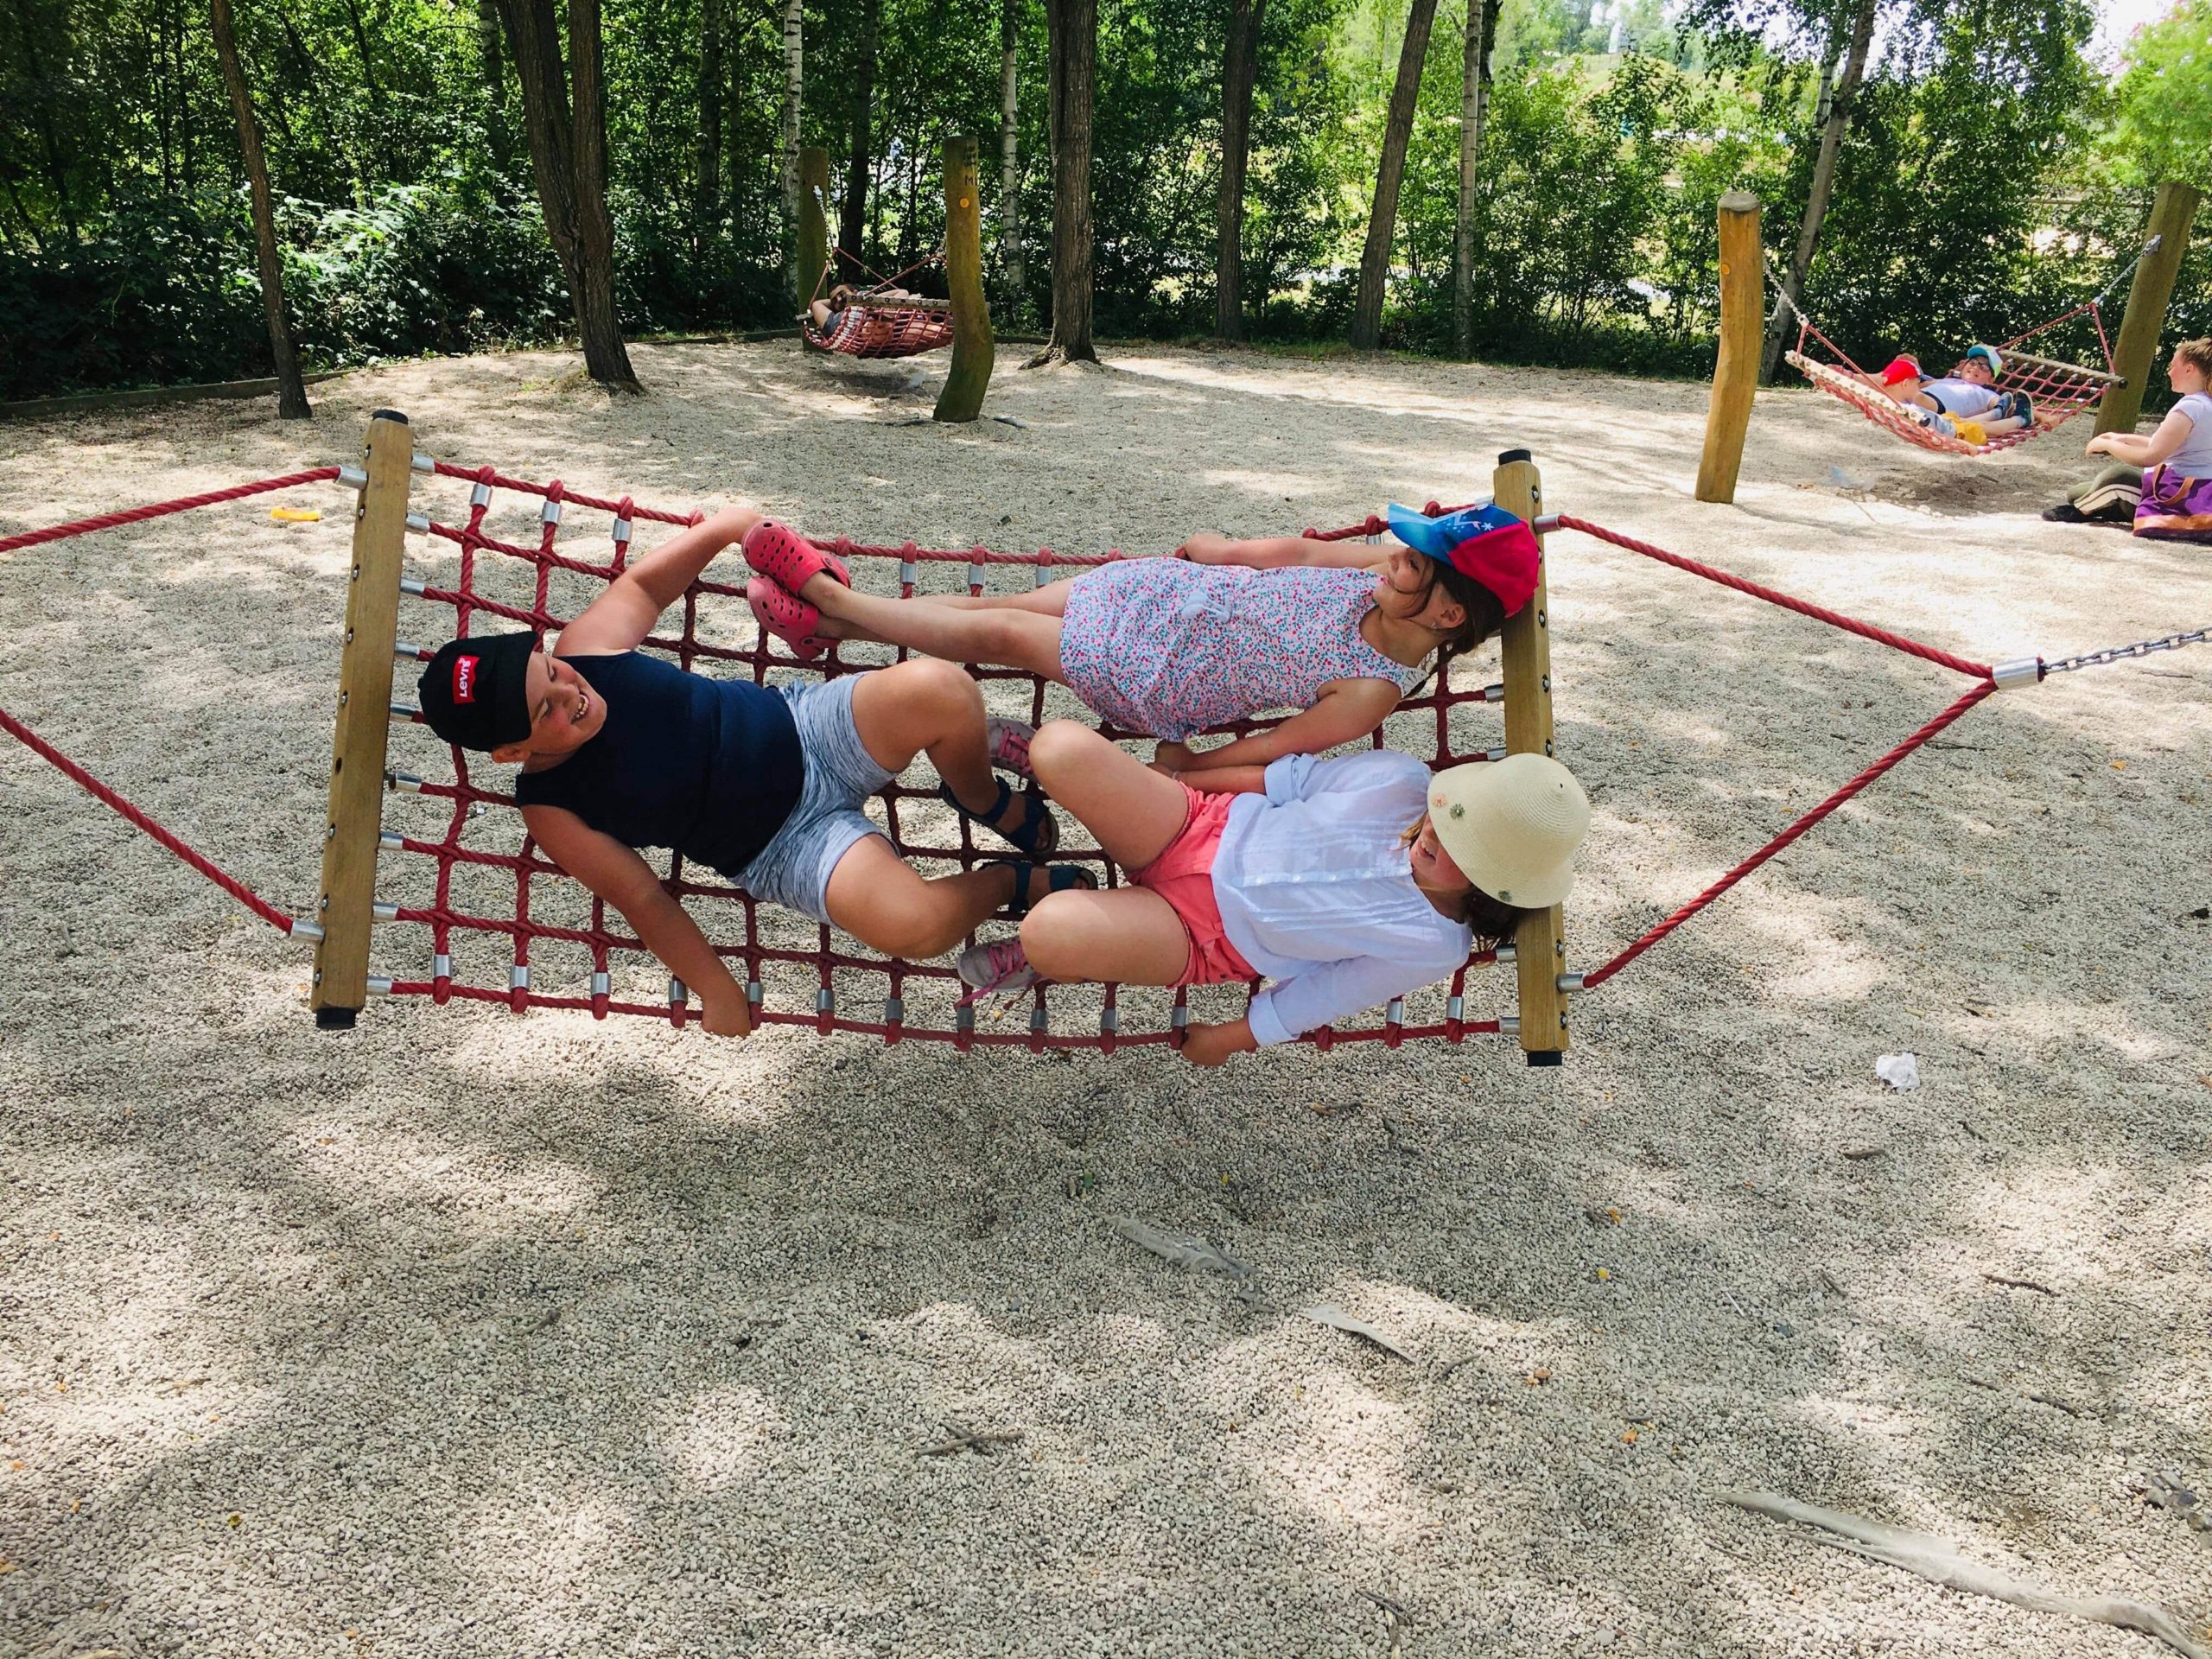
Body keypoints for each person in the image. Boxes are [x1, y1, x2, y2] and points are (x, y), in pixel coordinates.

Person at [413, 504, 1090, 1040]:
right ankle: (1009, 882)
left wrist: (724, 528)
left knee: (942, 689)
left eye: (551, 671)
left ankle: (980, 796)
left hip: (807, 730)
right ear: (512, 752)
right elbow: (644, 900)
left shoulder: (587, 651)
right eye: (547, 710)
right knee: (916, 927)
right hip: (784, 847)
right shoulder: (550, 806)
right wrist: (715, 988)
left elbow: (644, 587)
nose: (572, 694)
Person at [948, 721, 1590, 1065]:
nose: (1435, 836)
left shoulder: (1433, 945)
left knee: (1051, 932)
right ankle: (1032, 791)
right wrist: (1183, 777)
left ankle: (1051, 952)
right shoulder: (1398, 782)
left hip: (1204, 937)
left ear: (1490, 891)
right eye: (1449, 816)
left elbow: (1329, 992)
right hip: (1200, 825)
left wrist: (1231, 1038)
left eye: (1463, 851)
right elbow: (1282, 782)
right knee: (1061, 747)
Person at [738, 502, 1537, 777]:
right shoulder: (1375, 572)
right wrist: (1224, 551)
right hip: (1168, 594)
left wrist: (1193, 767)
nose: (1396, 556)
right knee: (1007, 603)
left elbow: (1278, 746)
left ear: (1448, 615)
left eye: (1416, 563)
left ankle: (827, 596)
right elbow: (1296, 555)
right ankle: (832, 625)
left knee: (1000, 632)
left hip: (1161, 671)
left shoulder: (1372, 688)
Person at [2044, 338, 2212, 537]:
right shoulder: (2205, 404)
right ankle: (2115, 508)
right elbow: (2173, 445)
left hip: (2178, 498)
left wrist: (2108, 445)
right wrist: (2123, 438)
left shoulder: (2191, 407)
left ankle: (2081, 511)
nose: (2169, 372)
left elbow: (2150, 457)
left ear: (2189, 369)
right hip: (2200, 495)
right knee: (2078, 492)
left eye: (2173, 366)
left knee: (2117, 476)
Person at [1853, 345, 2033, 443]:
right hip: (1917, 402)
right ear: (1964, 365)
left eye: (1984, 367)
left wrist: (2036, 415)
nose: (1975, 368)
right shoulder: (1944, 381)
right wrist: (1916, 371)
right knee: (1903, 380)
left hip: (1938, 410)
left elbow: (2006, 406)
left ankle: (1855, 378)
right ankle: (1861, 379)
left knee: (1901, 384)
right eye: (1972, 363)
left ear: (1991, 379)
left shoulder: (1985, 393)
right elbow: (1920, 383)